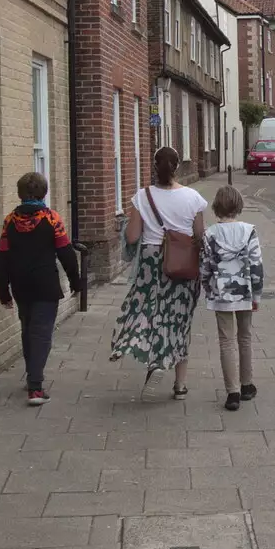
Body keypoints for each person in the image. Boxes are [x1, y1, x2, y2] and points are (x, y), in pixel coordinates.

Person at [111, 147, 207, 397]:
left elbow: (132, 236)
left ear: (154, 167)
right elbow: (199, 237)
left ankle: (151, 359)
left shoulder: (142, 197)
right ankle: (180, 385)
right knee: (179, 321)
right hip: (182, 263)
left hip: (150, 264)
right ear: (177, 167)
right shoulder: (193, 198)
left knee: (150, 314)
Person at [0, 172, 82, 406]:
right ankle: (35, 388)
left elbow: (1, 258)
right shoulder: (52, 219)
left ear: (20, 194)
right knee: (41, 333)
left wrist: (3, 291)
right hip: (45, 284)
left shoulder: (10, 221)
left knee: (27, 329)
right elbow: (66, 253)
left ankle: (31, 375)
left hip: (20, 285)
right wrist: (76, 282)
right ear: (44, 192)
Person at [201, 185, 264, 412]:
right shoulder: (249, 231)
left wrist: (207, 289)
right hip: (245, 292)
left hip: (221, 294)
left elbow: (205, 266)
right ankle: (247, 385)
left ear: (217, 207)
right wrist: (257, 294)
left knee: (226, 341)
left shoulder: (209, 234)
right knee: (245, 337)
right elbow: (256, 265)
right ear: (238, 206)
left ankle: (232, 392)